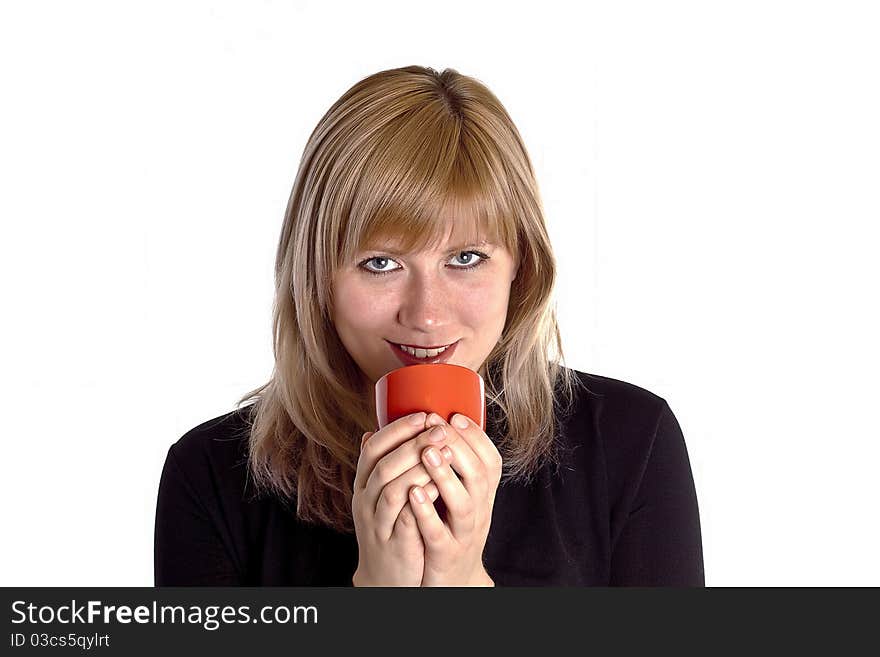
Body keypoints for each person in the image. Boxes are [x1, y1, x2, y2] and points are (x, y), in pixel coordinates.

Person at [154, 65, 705, 586]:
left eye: (466, 258)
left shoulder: (629, 440)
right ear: (316, 277)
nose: (426, 315)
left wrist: (464, 586)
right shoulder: (211, 476)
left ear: (523, 266)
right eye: (380, 264)